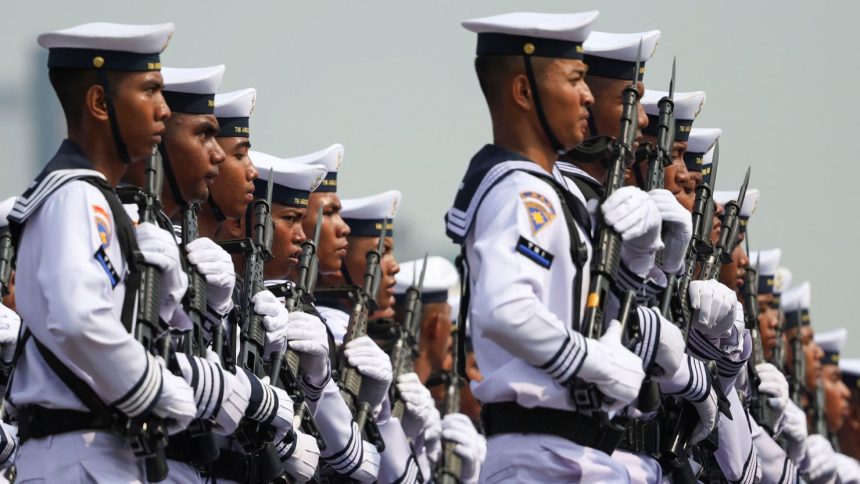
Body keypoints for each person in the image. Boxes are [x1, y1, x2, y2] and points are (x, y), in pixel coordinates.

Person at [444, 11, 658, 481]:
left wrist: (640, 254)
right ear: (524, 93)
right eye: (576, 79)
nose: (587, 95)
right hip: (540, 461)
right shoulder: (526, 195)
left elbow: (585, 311)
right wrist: (591, 361)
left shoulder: (546, 193)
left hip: (566, 455)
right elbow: (505, 309)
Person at [7, 22, 199, 482]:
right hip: (80, 456)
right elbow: (78, 318)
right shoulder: (78, 196)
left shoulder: (90, 196)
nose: (164, 111)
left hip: (92, 454)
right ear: (98, 103)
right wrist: (152, 387)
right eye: (150, 90)